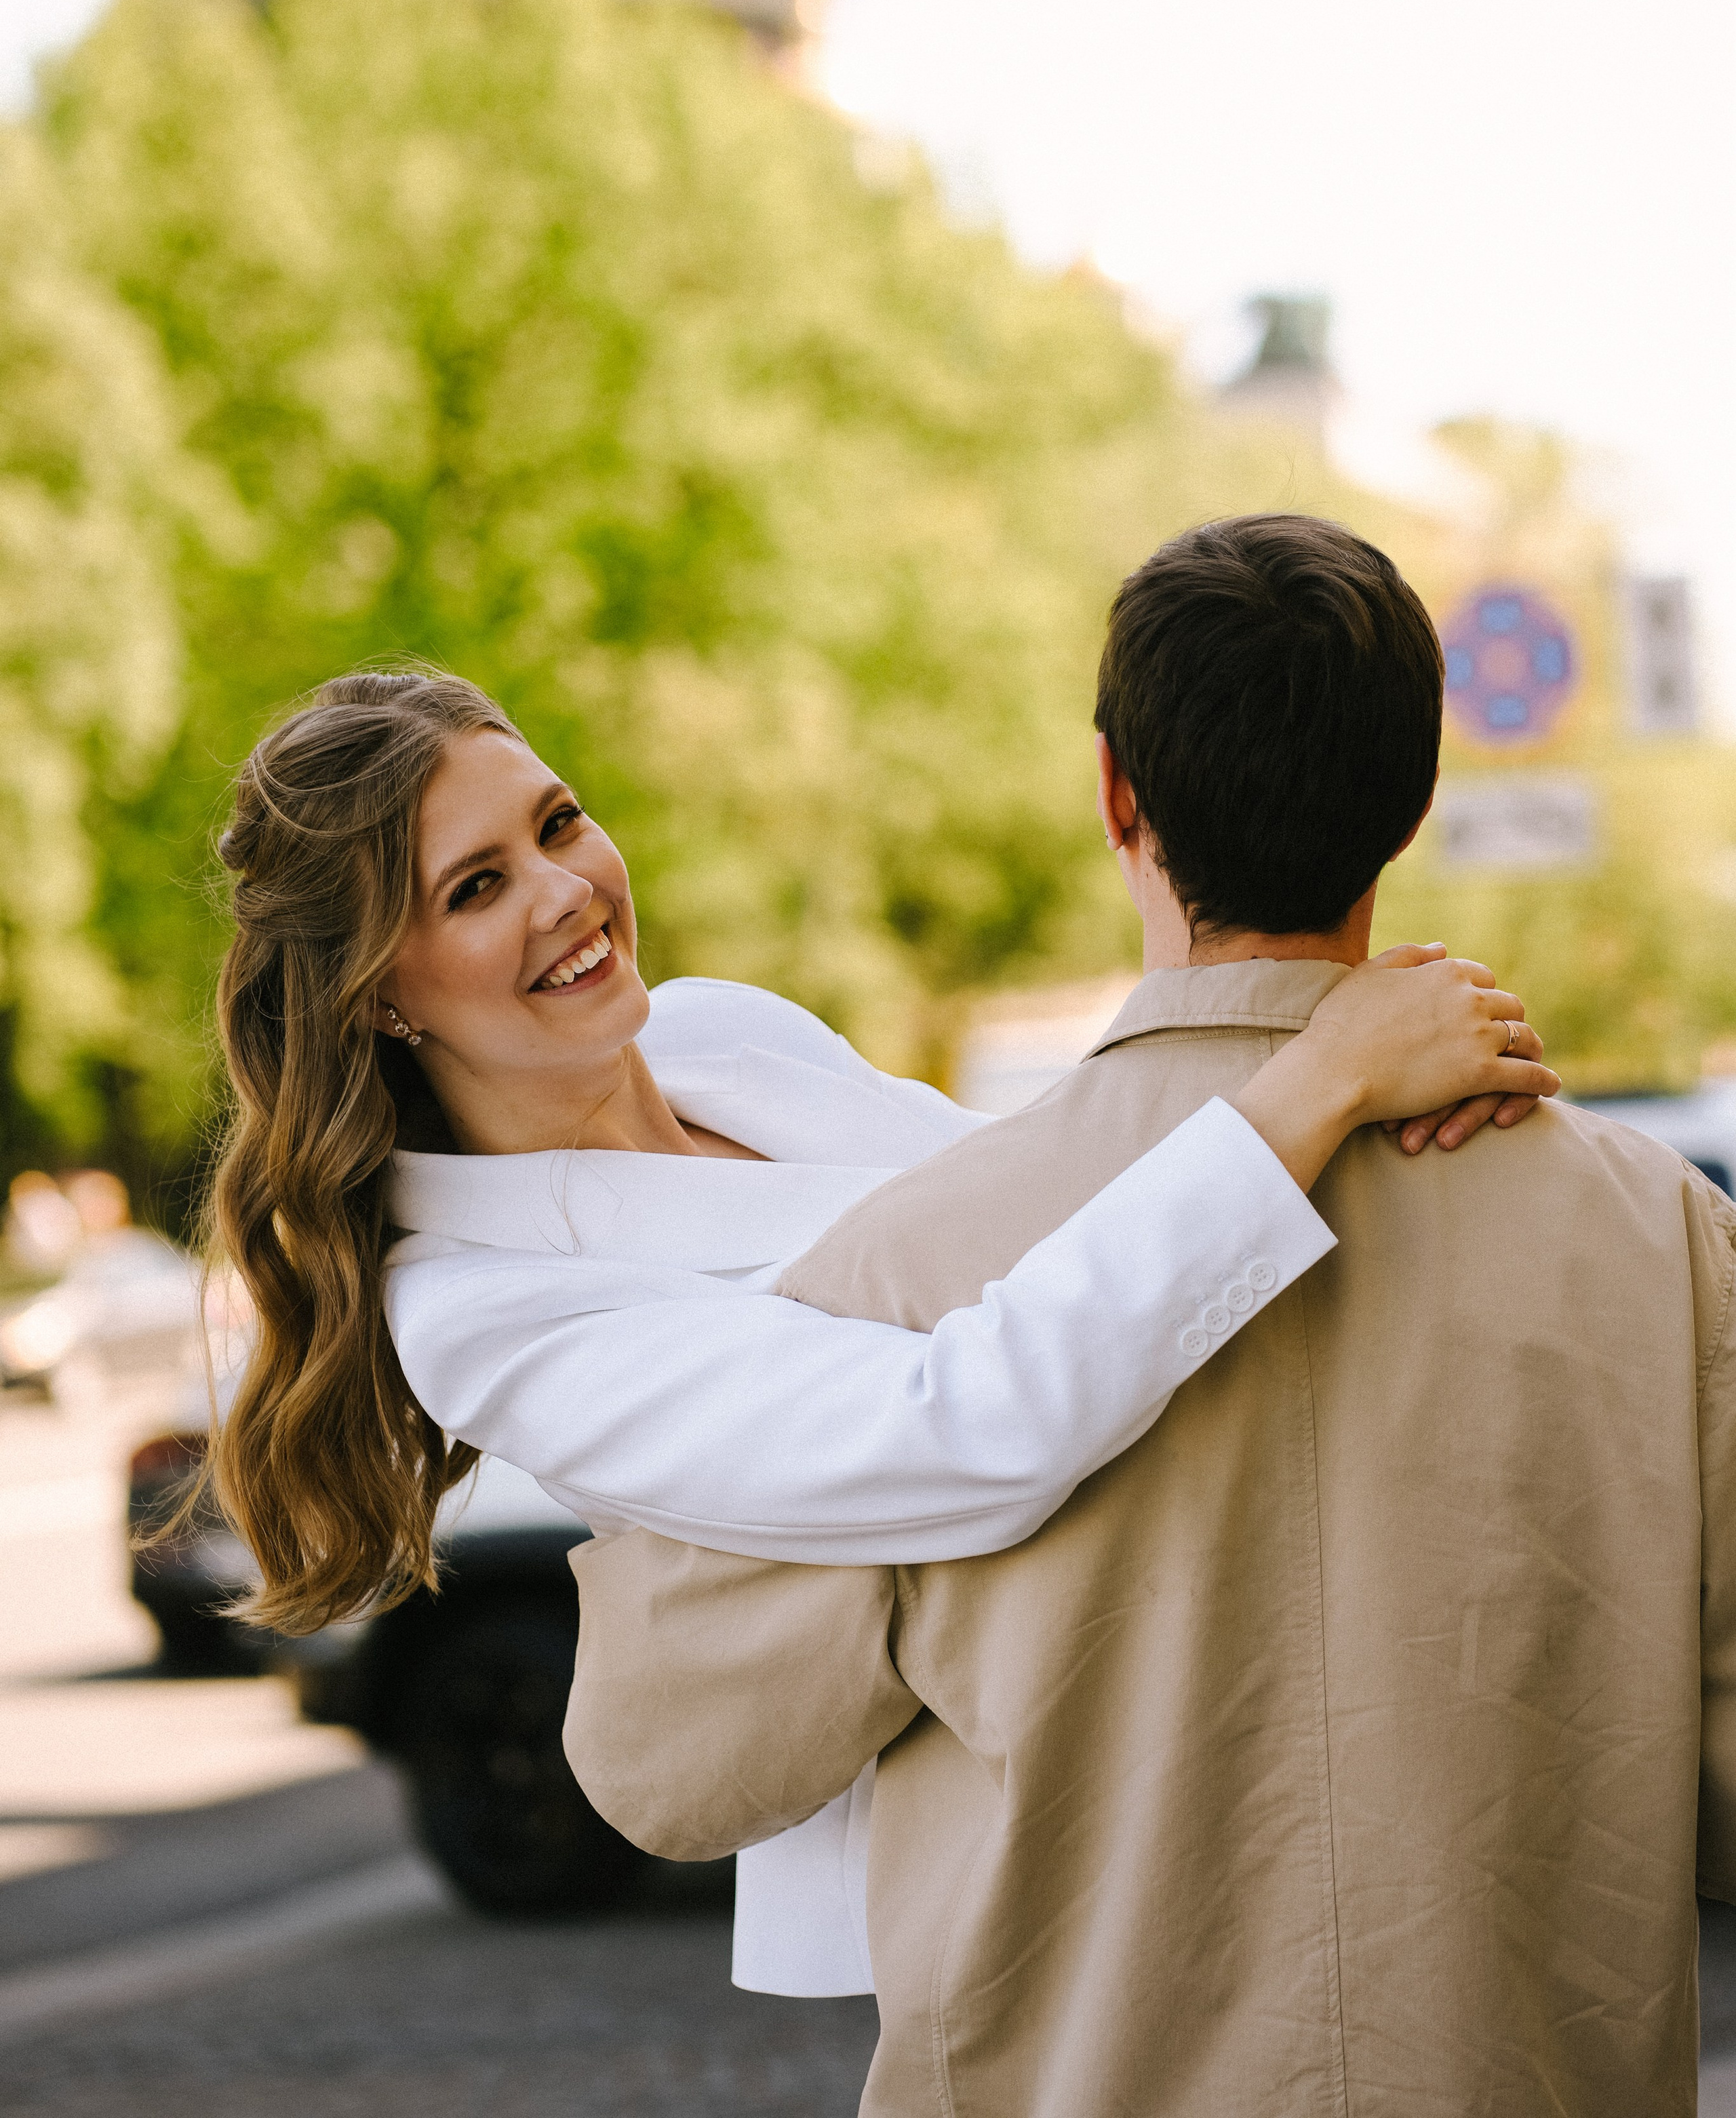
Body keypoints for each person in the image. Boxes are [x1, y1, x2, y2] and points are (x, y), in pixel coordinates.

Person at [565, 512, 1736, 2114]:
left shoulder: (903, 1268)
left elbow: (665, 1770)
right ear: (1413, 797)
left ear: (1115, 791)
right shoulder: (1657, 1237)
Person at [206, 651, 1553, 1997]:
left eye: (557, 823)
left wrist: (1353, 1091)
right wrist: (1317, 1082)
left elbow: (1047, 1206)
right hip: (987, 1845)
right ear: (381, 989)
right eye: (477, 886)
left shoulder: (726, 1030)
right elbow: (967, 1428)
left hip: (1183, 1666)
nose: (565, 891)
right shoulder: (475, 1308)